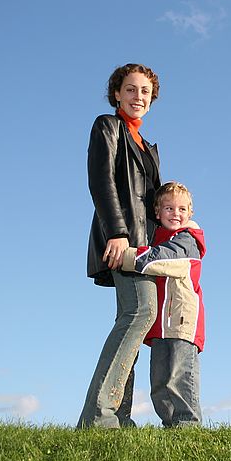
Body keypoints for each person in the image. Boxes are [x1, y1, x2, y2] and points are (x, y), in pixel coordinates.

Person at [78, 63, 161, 429]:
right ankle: (100, 415)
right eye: (130, 89)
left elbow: (155, 202)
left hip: (148, 247)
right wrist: (117, 232)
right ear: (116, 94)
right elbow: (101, 180)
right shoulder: (107, 126)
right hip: (123, 239)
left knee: (132, 319)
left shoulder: (147, 146)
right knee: (141, 313)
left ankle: (119, 416)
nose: (137, 96)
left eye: (144, 91)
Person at [122, 181, 206, 427]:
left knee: (179, 375)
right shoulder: (157, 236)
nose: (175, 214)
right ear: (157, 212)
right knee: (159, 381)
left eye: (181, 209)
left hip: (182, 320)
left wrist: (125, 256)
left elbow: (159, 260)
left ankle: (187, 424)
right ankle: (171, 425)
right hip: (160, 324)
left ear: (190, 213)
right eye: (169, 208)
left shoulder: (187, 240)